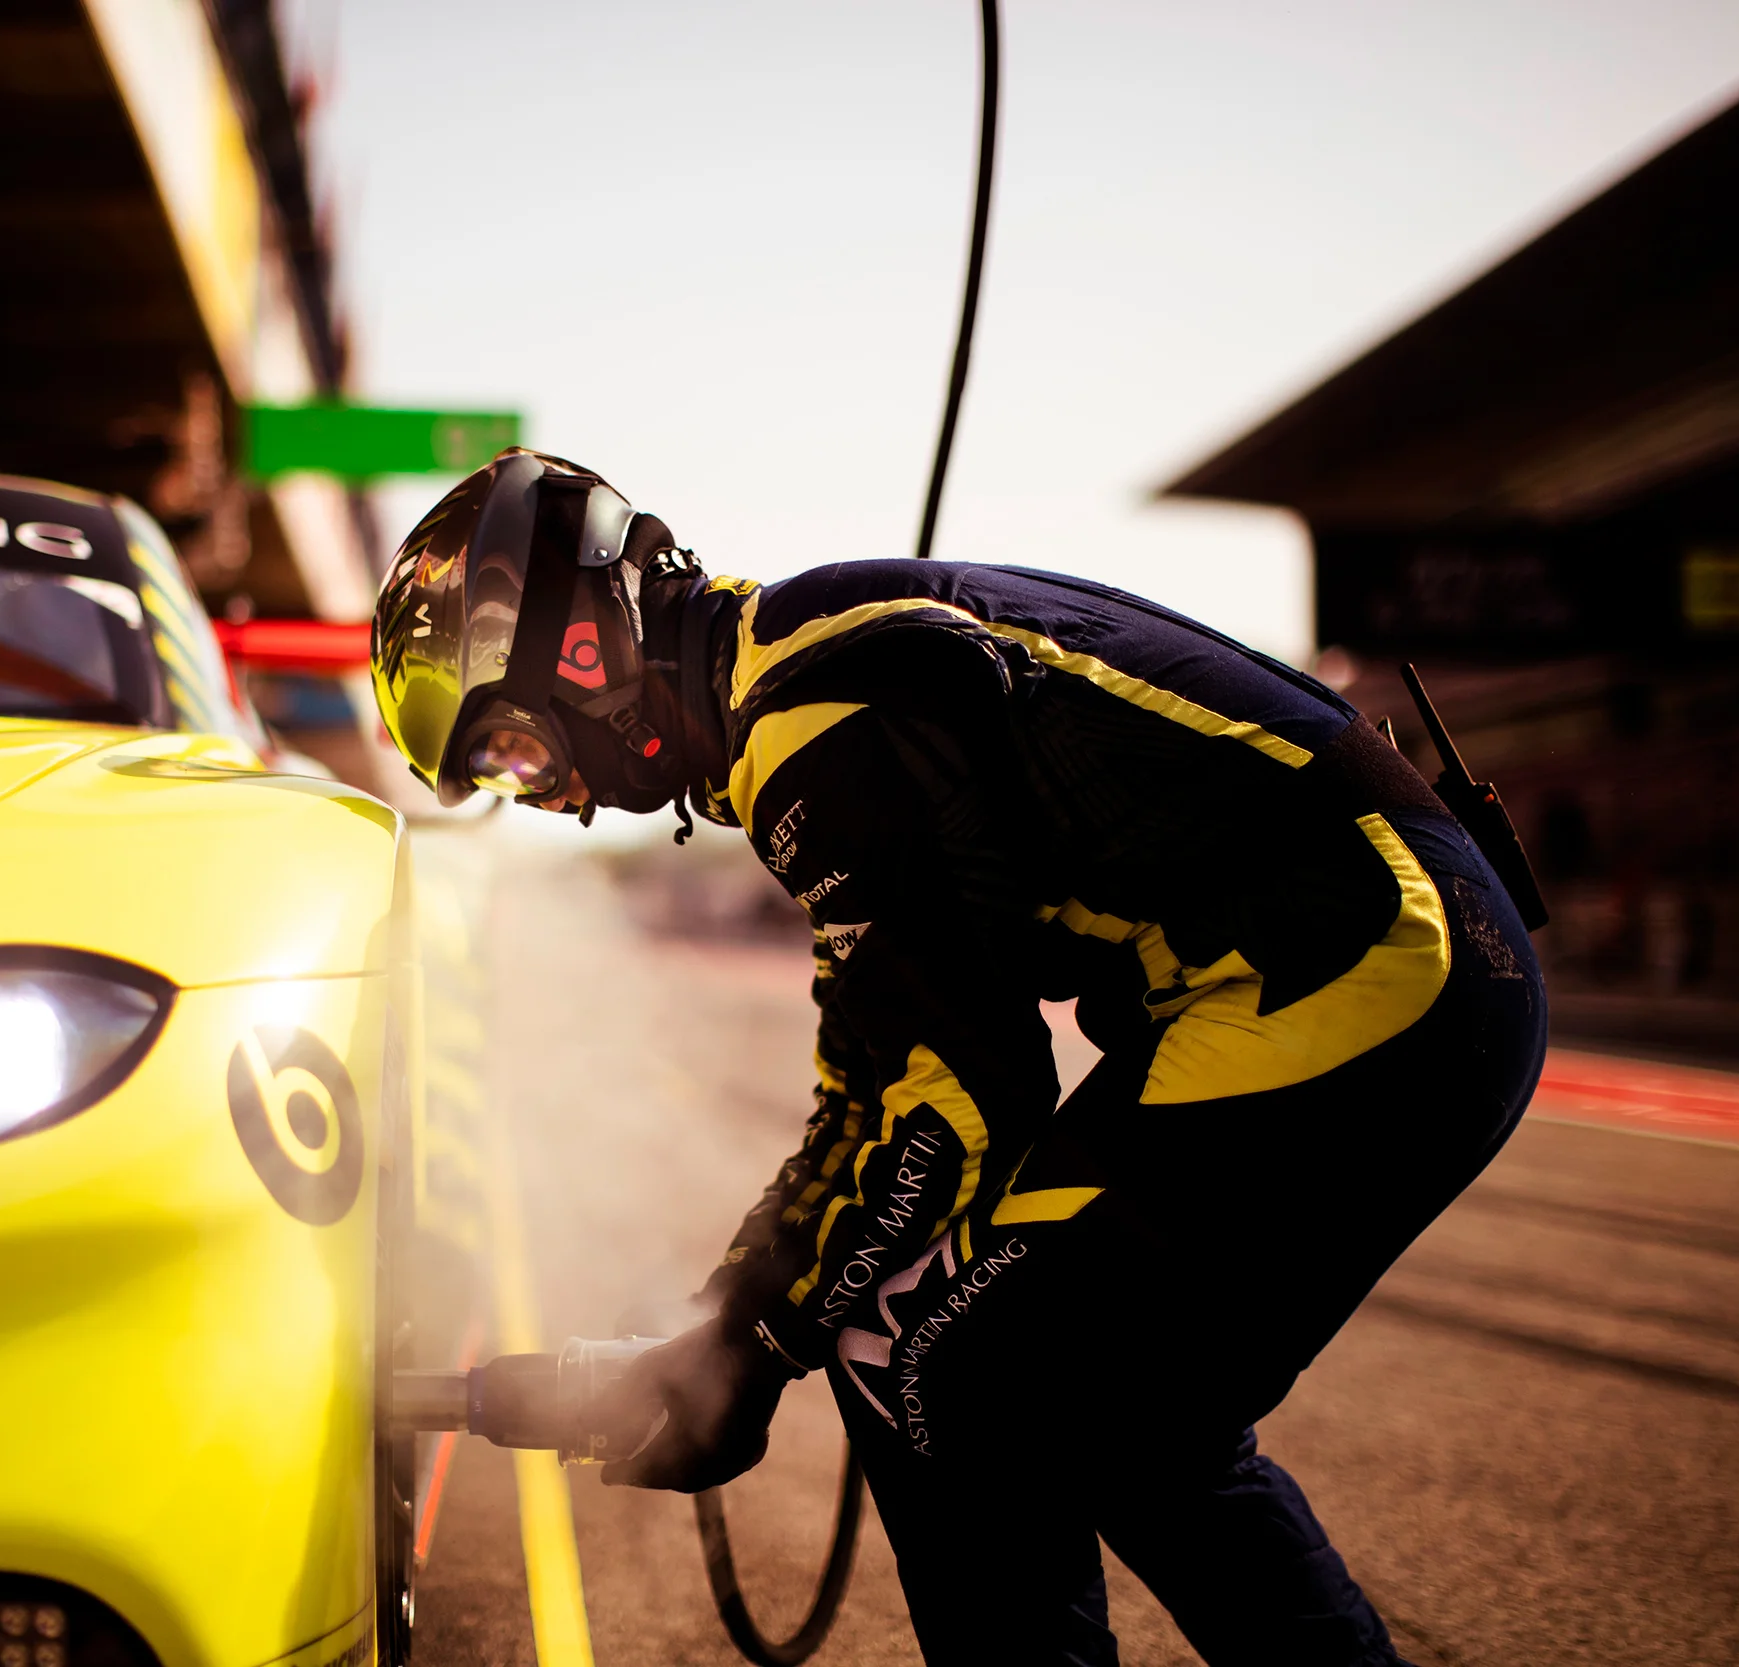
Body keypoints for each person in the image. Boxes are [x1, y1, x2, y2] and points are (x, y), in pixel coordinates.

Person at [370, 449, 1545, 1665]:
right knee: (1132, 1431)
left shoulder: (816, 714)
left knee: (922, 1355)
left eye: (517, 755)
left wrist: (749, 1353)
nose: (555, 801)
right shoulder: (801, 666)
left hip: (1361, 963)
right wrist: (731, 1312)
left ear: (580, 652)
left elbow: (962, 1094)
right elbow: (878, 1079)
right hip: (1392, 954)